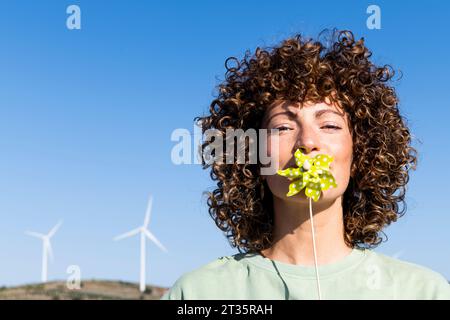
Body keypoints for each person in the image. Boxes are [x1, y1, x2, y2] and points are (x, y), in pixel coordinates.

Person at [161, 30, 450, 300]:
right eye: (284, 127)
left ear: (362, 153)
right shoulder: (200, 293)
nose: (307, 142)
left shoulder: (425, 291)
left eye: (329, 125)